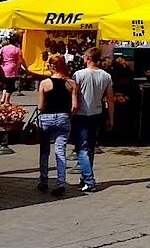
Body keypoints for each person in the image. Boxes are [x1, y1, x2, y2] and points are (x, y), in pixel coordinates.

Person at [36, 54, 84, 197]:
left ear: (51, 66)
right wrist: (68, 115)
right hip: (63, 117)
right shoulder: (71, 84)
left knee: (44, 150)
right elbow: (75, 106)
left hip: (46, 118)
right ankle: (60, 182)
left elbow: (40, 106)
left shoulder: (44, 83)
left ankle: (43, 180)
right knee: (60, 151)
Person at [71, 48, 111, 192]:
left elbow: (74, 96)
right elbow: (110, 99)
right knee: (90, 147)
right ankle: (84, 177)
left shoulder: (79, 75)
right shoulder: (106, 76)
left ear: (88, 58)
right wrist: (111, 118)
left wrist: (71, 113)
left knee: (81, 148)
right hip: (97, 114)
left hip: (81, 114)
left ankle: (89, 179)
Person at [0, 36, 22, 105]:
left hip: (3, 68)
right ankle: (6, 101)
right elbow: (20, 59)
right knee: (10, 85)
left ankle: (2, 98)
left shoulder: (3, 48)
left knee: (5, 84)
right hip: (12, 69)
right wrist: (18, 65)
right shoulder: (17, 49)